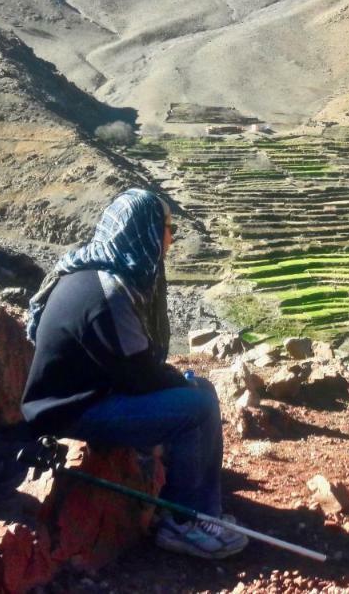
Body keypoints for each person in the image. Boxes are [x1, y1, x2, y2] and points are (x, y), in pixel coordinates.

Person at [20, 188, 246, 559]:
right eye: (167, 228)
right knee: (196, 408)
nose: (171, 238)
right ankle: (183, 523)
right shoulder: (110, 292)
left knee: (200, 391)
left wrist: (184, 383)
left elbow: (132, 366)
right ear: (145, 231)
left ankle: (205, 512)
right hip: (69, 412)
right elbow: (140, 374)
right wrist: (182, 385)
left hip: (91, 393)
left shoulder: (97, 272)